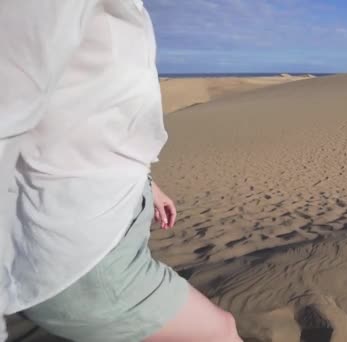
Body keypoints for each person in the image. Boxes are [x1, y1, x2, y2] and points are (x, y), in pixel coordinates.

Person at [0, 1, 242, 341]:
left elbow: (90, 115)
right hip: (80, 258)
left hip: (101, 229)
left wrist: (147, 182)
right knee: (220, 332)